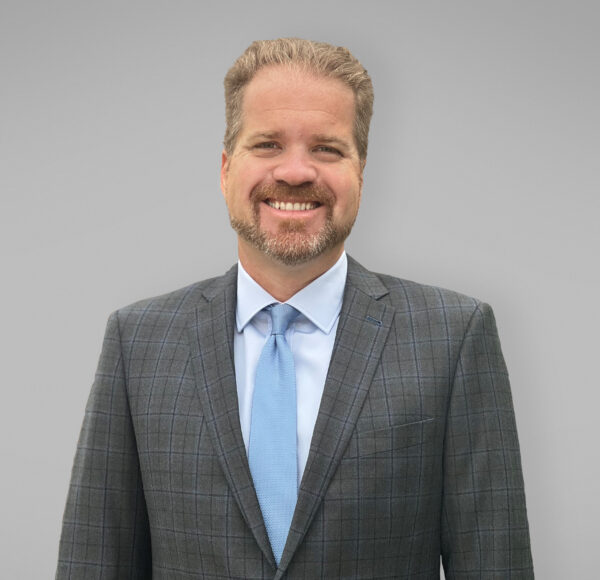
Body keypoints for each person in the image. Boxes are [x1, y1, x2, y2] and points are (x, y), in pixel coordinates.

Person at [56, 38, 534, 579]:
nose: (296, 171)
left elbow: (497, 565)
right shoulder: (138, 341)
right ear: (225, 169)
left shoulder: (453, 338)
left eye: (328, 149)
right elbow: (92, 565)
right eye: (267, 144)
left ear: (361, 173)